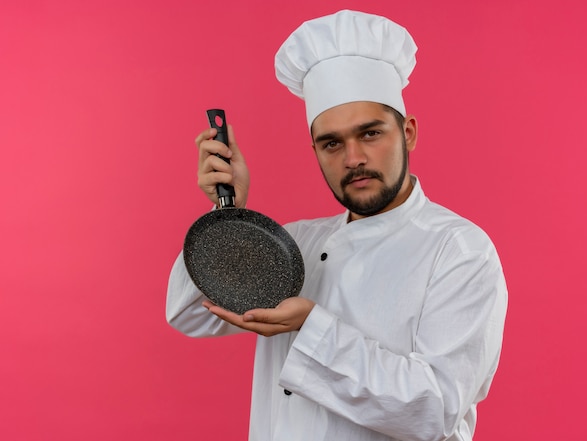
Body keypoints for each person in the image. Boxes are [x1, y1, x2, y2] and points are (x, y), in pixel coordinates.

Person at [166, 9, 507, 441]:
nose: (353, 159)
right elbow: (190, 316)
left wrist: (312, 327)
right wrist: (227, 214)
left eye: (370, 134)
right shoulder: (296, 243)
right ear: (314, 150)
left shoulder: (458, 250)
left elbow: (435, 409)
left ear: (409, 133)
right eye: (332, 143)